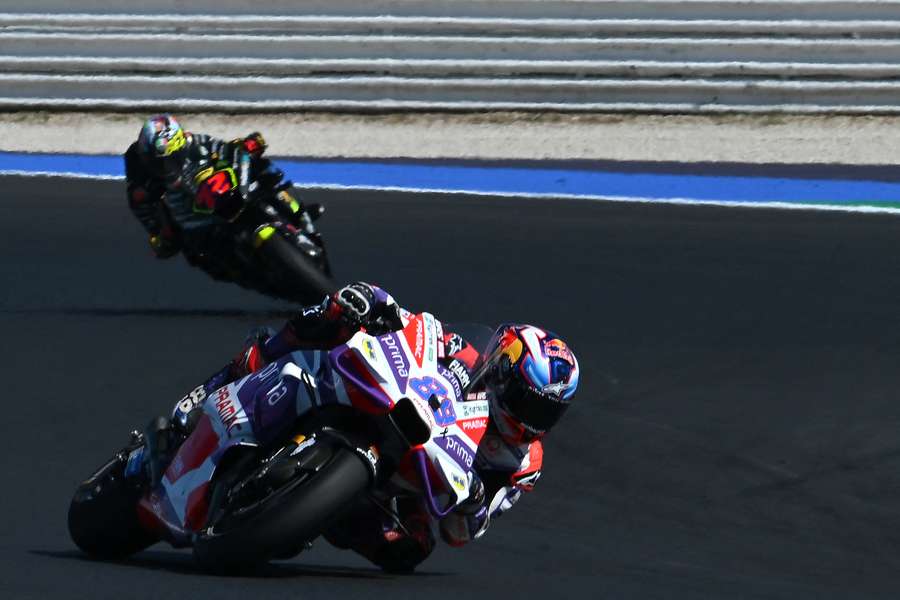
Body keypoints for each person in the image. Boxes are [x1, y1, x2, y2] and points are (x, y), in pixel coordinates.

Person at [166, 282, 580, 572]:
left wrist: (472, 501)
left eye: (547, 414)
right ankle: (238, 372)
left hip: (408, 483)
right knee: (330, 321)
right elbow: (415, 328)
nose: (531, 420)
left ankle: (311, 512)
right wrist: (373, 303)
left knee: (410, 549)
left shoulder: (524, 461)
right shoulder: (463, 352)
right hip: (381, 400)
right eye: (528, 402)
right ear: (502, 371)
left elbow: (462, 533)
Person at [123, 114, 323, 286]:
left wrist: (247, 146)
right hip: (198, 223)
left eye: (170, 159)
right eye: (159, 163)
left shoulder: (195, 142)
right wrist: (161, 234)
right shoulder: (141, 173)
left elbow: (228, 148)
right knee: (202, 258)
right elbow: (144, 212)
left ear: (180, 144)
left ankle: (299, 215)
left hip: (227, 189)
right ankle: (257, 277)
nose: (165, 167)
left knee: (264, 173)